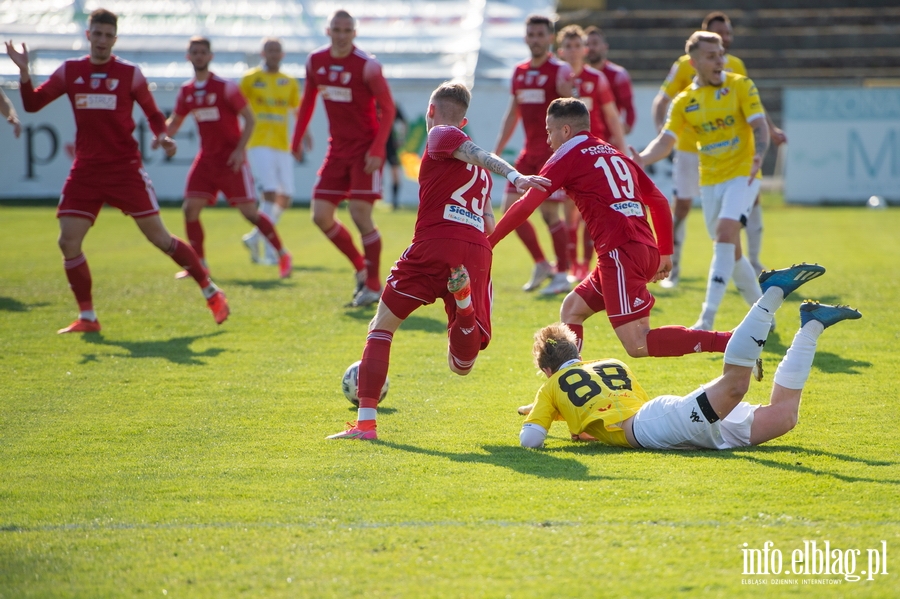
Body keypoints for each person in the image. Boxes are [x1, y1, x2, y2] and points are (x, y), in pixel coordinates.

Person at [327, 82, 551, 440]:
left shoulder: (442, 133)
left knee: (380, 328)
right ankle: (463, 306)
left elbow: (475, 151)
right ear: (466, 118)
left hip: (435, 243)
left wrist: (514, 175)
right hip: (477, 250)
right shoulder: (476, 172)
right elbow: (489, 222)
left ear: (431, 112)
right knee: (461, 365)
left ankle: (366, 424)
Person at [5, 9, 229, 333]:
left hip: (125, 170)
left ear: (115, 38)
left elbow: (153, 114)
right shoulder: (71, 71)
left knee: (161, 239)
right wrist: (25, 73)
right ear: (88, 35)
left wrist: (162, 135)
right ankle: (88, 317)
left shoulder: (129, 74)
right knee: (68, 242)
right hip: (86, 171)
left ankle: (210, 290)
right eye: (97, 34)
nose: (102, 41)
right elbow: (32, 104)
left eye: (108, 36)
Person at [518, 263, 862, 450]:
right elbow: (614, 408)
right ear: (576, 350)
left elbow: (531, 441)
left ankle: (771, 292)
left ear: (548, 370)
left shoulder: (552, 388)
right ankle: (811, 326)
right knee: (784, 417)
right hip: (661, 417)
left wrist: (546, 411)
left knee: (735, 387)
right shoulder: (612, 364)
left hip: (652, 428)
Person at [489, 98, 731, 362]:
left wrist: (489, 242)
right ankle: (566, 386)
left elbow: (525, 206)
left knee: (638, 344)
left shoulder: (565, 155)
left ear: (566, 131)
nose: (548, 140)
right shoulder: (614, 152)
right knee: (572, 309)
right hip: (642, 249)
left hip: (620, 253)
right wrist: (664, 253)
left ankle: (731, 342)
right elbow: (659, 202)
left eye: (550, 131)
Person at [635, 31, 769, 332]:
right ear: (694, 63)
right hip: (710, 181)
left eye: (721, 53)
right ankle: (763, 313)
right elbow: (666, 141)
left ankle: (706, 318)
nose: (720, 60)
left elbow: (759, 125)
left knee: (724, 236)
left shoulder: (740, 85)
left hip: (743, 174)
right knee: (730, 250)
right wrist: (642, 158)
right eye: (712, 56)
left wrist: (759, 155)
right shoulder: (685, 101)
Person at [651, 12, 786, 288]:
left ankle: (755, 260)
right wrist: (662, 136)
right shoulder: (683, 66)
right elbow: (662, 100)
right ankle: (672, 267)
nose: (725, 38)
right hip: (691, 147)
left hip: (734, 152)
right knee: (684, 206)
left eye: (728, 33)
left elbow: (753, 105)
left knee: (751, 202)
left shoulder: (735, 66)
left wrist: (769, 130)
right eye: (719, 33)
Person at [290, 9, 396, 308]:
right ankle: (361, 268)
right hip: (336, 150)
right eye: (336, 29)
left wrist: (377, 150)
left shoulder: (368, 66)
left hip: (365, 151)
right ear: (328, 31)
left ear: (354, 33)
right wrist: (296, 138)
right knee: (320, 215)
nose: (341, 34)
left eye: (347, 30)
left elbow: (387, 109)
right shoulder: (316, 61)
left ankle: (374, 285)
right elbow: (308, 99)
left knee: (360, 215)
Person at [166, 37, 292, 280]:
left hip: (231, 161)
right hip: (206, 160)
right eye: (195, 52)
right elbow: (175, 122)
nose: (199, 56)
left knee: (250, 213)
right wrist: (161, 136)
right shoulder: (187, 91)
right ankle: (199, 266)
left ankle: (282, 253)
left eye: (203, 52)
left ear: (210, 56)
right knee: (190, 209)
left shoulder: (225, 87)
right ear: (188, 56)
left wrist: (239, 151)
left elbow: (250, 119)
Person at [494, 14, 574, 295]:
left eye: (541, 35)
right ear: (526, 38)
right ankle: (542, 263)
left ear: (550, 38)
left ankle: (563, 273)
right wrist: (497, 151)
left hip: (552, 155)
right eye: (532, 35)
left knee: (551, 214)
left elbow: (571, 113)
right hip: (528, 154)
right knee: (509, 210)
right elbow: (512, 113)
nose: (536, 39)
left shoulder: (560, 71)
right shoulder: (519, 72)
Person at [556, 24, 626, 284]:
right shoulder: (558, 80)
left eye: (578, 46)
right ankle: (571, 263)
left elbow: (611, 116)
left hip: (594, 154)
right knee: (568, 213)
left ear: (585, 49)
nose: (574, 52)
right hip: (567, 154)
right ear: (561, 51)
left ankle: (584, 265)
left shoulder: (596, 79)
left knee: (589, 212)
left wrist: (622, 148)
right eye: (569, 46)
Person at [240, 38, 310, 265]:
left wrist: (304, 135)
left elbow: (296, 111)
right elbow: (236, 107)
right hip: (259, 142)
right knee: (270, 193)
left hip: (282, 144)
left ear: (282, 54)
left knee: (286, 196)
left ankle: (255, 237)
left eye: (277, 50)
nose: (273, 54)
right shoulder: (250, 79)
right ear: (263, 52)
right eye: (269, 50)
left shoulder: (288, 81)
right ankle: (271, 249)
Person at [585, 26, 635, 136]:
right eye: (587, 44)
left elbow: (629, 108)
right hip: (585, 139)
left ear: (604, 47)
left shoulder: (618, 75)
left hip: (609, 141)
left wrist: (620, 133)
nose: (591, 48)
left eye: (595, 43)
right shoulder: (576, 75)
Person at [385, 105, 408, 209]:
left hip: (390, 144)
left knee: (395, 171)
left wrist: (400, 138)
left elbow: (404, 123)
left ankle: (395, 201)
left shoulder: (392, 106)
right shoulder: (371, 104)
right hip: (374, 143)